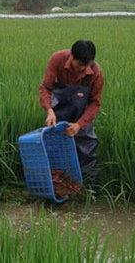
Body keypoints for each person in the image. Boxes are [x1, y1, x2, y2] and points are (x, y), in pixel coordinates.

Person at [39, 40, 104, 184]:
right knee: (54, 146)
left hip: (82, 115)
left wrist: (79, 125)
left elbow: (95, 103)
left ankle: (87, 187)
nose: (82, 69)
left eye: (86, 66)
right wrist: (49, 110)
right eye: (79, 64)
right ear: (71, 56)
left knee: (87, 149)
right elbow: (46, 88)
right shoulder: (57, 59)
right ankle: (56, 183)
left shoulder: (96, 72)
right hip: (58, 112)